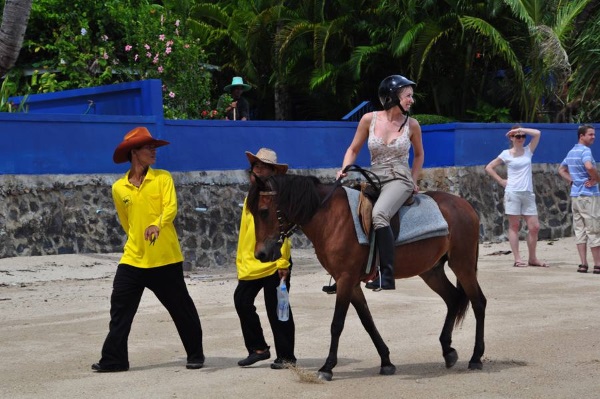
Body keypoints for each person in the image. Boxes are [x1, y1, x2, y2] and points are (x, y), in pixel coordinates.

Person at [92, 127, 205, 372]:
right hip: (133, 258)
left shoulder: (163, 178)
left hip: (165, 258)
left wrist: (157, 224)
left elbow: (171, 208)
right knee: (120, 309)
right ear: (134, 152)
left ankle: (195, 354)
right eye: (148, 147)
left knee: (181, 308)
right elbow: (127, 222)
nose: (154, 151)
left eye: (154, 147)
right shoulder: (118, 188)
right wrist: (139, 235)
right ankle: (114, 360)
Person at [337, 75, 424, 291]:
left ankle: (387, 275)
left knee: (379, 215)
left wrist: (413, 180)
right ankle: (344, 273)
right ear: (392, 97)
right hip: (374, 176)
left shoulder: (412, 125)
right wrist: (345, 168)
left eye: (411, 96)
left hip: (399, 177)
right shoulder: (369, 119)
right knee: (346, 211)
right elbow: (353, 149)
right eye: (407, 96)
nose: (411, 100)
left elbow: (419, 155)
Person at [234, 148, 296, 369]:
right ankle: (258, 348)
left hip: (275, 262)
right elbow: (246, 233)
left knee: (277, 308)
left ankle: (287, 356)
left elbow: (284, 232)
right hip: (252, 262)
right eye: (255, 166)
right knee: (241, 301)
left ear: (272, 171)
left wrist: (283, 262)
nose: (257, 169)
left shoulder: (279, 196)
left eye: (262, 166)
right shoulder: (251, 195)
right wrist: (241, 262)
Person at [485, 125, 548, 268]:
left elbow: (538, 133)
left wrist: (521, 129)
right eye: (517, 136)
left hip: (527, 193)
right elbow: (489, 167)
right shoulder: (506, 153)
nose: (521, 139)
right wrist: (501, 181)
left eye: (522, 136)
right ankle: (518, 258)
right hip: (513, 192)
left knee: (534, 227)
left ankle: (533, 258)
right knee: (514, 225)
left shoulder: (528, 150)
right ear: (511, 138)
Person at [558, 124, 600, 274]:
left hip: (575, 196)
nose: (593, 137)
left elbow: (561, 169)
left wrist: (571, 180)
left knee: (580, 230)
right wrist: (597, 178)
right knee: (593, 229)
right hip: (588, 195)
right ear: (581, 136)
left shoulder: (571, 152)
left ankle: (583, 264)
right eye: (590, 134)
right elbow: (589, 166)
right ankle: (597, 264)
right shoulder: (585, 151)